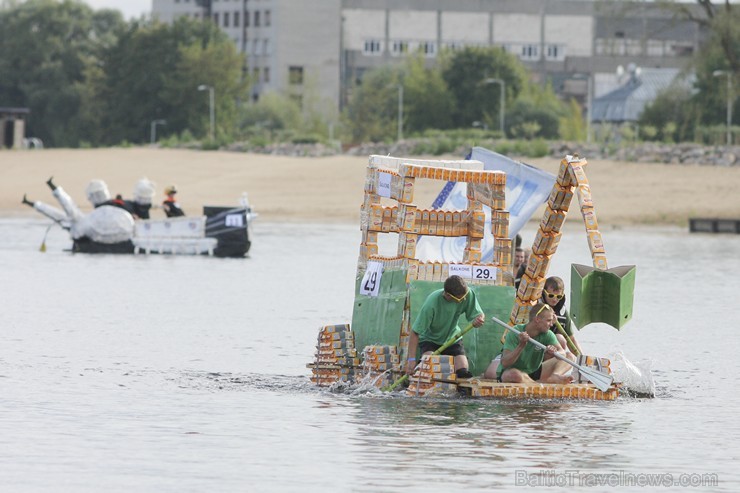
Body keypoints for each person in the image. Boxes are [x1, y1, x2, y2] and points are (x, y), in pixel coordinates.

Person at [405, 275, 485, 379]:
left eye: (465, 296)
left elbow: (479, 315)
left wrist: (479, 320)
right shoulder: (431, 303)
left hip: (452, 338)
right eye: (460, 299)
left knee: (463, 372)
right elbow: (415, 332)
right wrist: (411, 360)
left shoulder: (466, 294)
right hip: (431, 339)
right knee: (428, 368)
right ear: (447, 295)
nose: (464, 299)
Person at [494, 303, 574, 384]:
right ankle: (540, 384)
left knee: (570, 357)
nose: (551, 324)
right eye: (548, 320)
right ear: (537, 319)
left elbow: (563, 353)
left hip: (535, 371)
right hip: (514, 372)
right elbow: (505, 362)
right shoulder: (515, 332)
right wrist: (521, 346)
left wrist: (555, 352)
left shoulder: (547, 334)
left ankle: (554, 376)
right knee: (514, 374)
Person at [541, 276, 583, 356]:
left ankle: (555, 364)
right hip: (536, 348)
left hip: (553, 350)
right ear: (544, 292)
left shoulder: (563, 313)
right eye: (551, 295)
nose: (554, 299)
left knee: (568, 352)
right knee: (560, 339)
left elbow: (571, 339)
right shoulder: (536, 307)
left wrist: (582, 358)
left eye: (559, 297)